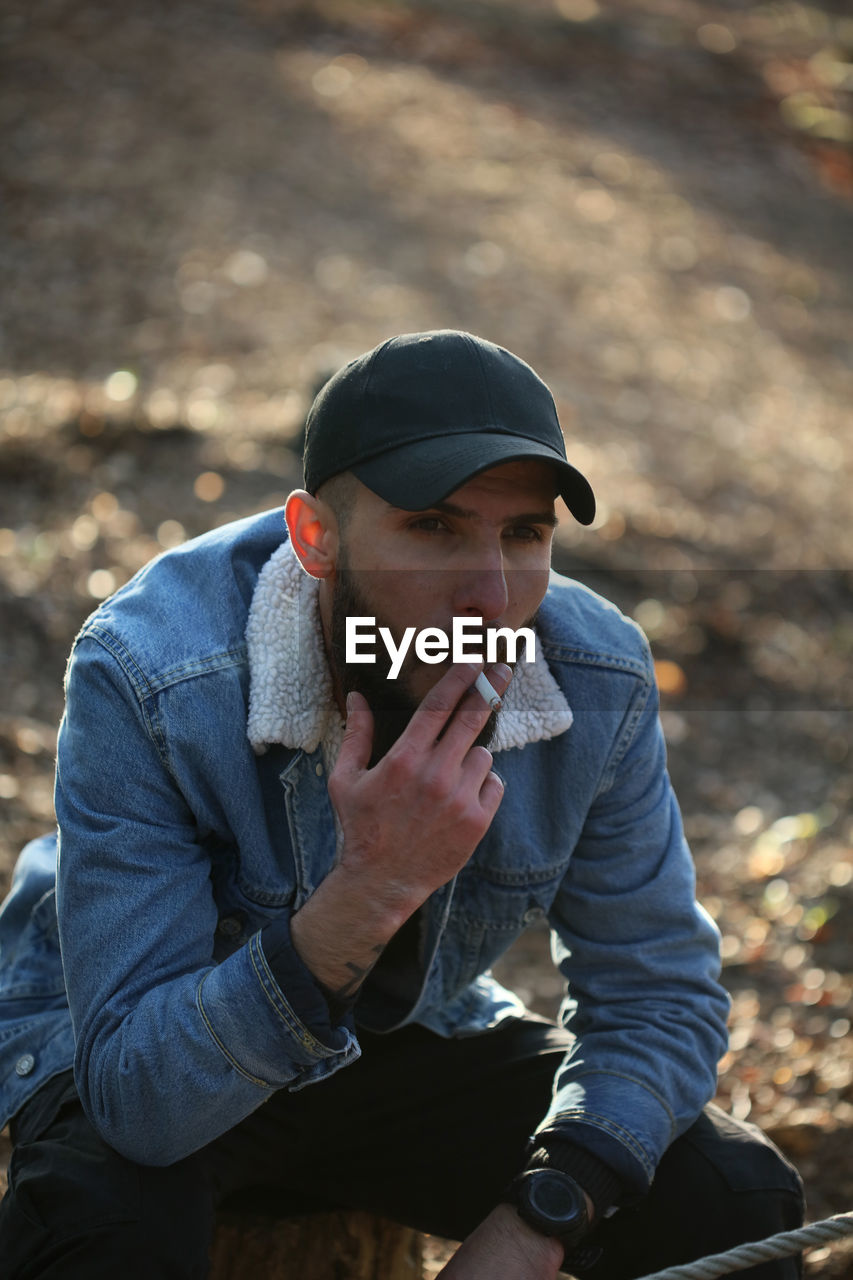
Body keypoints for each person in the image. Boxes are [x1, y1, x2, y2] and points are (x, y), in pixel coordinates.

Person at [0, 330, 803, 1279]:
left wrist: (544, 1214)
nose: (491, 593)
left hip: (398, 1042)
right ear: (315, 538)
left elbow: (657, 993)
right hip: (150, 1046)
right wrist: (375, 885)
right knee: (101, 1235)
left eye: (525, 534)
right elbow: (144, 1101)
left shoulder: (593, 674)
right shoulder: (155, 671)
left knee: (737, 1200)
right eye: (434, 527)